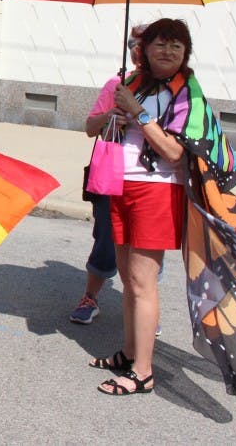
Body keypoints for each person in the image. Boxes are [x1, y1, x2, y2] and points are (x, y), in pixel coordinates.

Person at [90, 18, 195, 396]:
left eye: (176, 46)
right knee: (127, 278)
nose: (167, 52)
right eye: (159, 44)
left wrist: (138, 112)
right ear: (144, 50)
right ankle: (129, 352)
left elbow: (174, 151)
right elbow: (97, 129)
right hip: (121, 184)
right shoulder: (133, 83)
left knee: (142, 281)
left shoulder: (187, 93)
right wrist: (113, 117)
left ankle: (144, 372)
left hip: (158, 188)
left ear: (185, 53)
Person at [70, 25, 147, 325]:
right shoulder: (116, 84)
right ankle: (90, 297)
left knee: (145, 245)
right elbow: (90, 128)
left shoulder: (166, 90)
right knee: (106, 238)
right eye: (133, 44)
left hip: (148, 178)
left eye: (144, 44)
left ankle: (141, 301)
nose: (137, 50)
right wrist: (109, 116)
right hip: (112, 175)